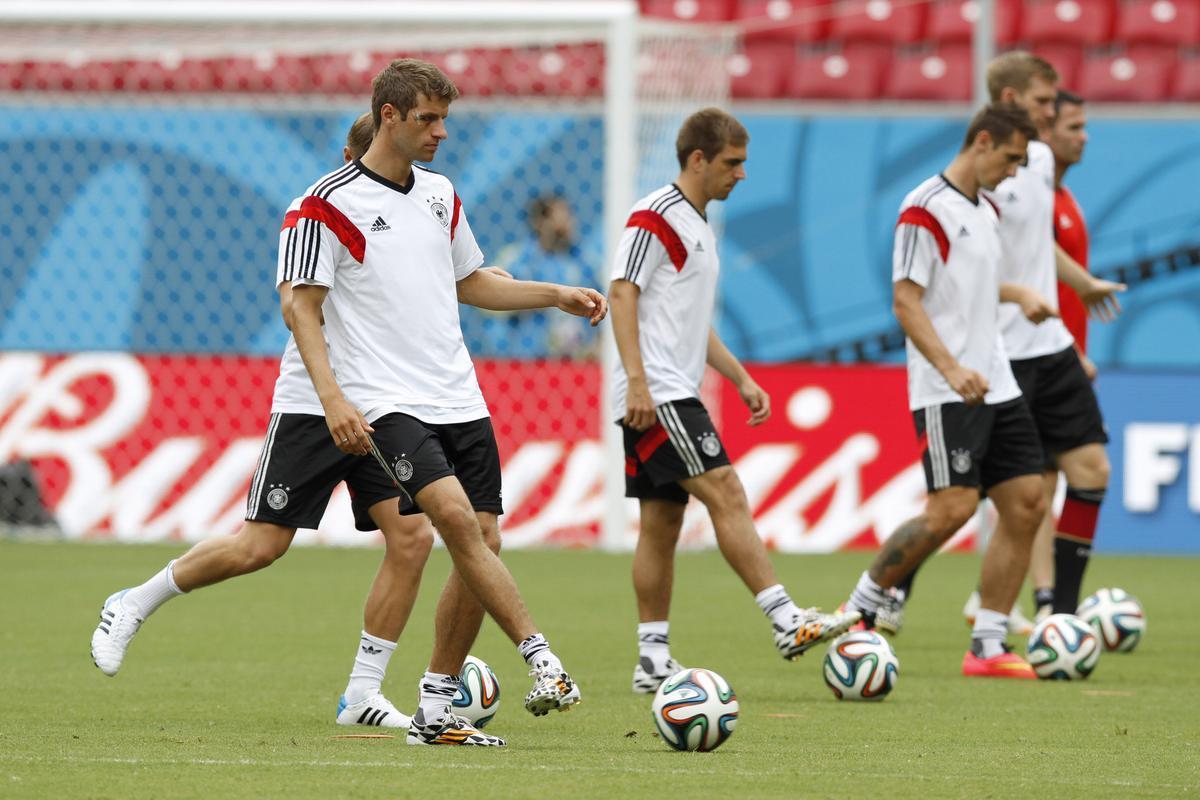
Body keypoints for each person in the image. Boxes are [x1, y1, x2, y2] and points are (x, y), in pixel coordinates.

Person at [91, 59, 608, 747]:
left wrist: (552, 292)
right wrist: (333, 397)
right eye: (428, 119)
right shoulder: (321, 206)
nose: (442, 134)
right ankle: (132, 602)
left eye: (444, 120)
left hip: (396, 399)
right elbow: (299, 310)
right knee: (261, 546)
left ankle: (366, 695)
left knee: (415, 536)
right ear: (389, 119)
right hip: (321, 399)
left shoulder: (437, 197)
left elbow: (468, 280)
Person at [608, 107, 859, 694]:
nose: (741, 175)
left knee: (662, 521)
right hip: (659, 391)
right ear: (698, 159)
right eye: (733, 163)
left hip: (670, 384)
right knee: (726, 489)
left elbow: (692, 324)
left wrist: (741, 378)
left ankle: (651, 659)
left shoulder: (697, 225)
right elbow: (622, 293)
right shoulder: (656, 216)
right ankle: (785, 619)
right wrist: (639, 381)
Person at [845, 103, 1057, 679]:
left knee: (1029, 502)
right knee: (953, 509)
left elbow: (977, 285)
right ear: (982, 142)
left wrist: (1018, 296)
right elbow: (906, 302)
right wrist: (951, 367)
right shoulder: (923, 209)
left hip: (997, 378)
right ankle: (860, 606)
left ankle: (987, 646)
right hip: (947, 386)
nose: (1015, 172)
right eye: (1012, 158)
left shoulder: (984, 208)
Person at [488, 195, 596, 358]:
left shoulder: (581, 262)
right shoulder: (517, 258)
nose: (569, 223)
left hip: (574, 361)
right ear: (540, 222)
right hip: (526, 358)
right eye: (560, 217)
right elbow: (489, 303)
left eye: (569, 216)